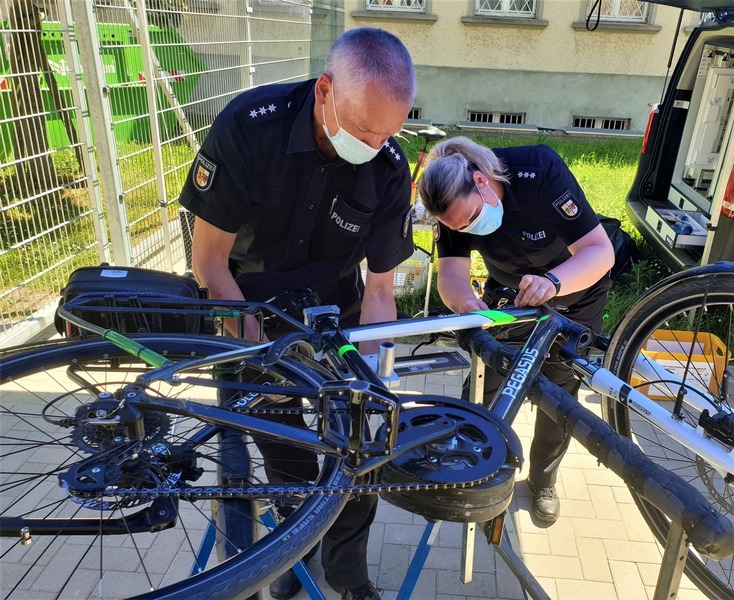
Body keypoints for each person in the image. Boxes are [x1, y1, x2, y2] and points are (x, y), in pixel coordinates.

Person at [178, 27, 416, 600]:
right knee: (277, 465)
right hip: (245, 306)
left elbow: (380, 291)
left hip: (333, 309)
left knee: (357, 457)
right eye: (364, 129)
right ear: (325, 92)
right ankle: (280, 573)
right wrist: (259, 350)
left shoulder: (386, 163)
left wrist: (376, 373)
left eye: (391, 131)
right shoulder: (248, 127)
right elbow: (209, 263)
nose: (377, 142)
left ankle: (347, 577)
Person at [416, 137, 615, 523]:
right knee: (485, 383)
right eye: (460, 226)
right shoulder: (451, 205)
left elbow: (599, 251)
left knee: (559, 394)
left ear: (482, 180)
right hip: (510, 300)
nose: (470, 227)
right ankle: (472, 469)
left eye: (473, 218)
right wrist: (466, 305)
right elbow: (451, 277)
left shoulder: (539, 171)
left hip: (574, 290)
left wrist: (553, 282)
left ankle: (542, 479)